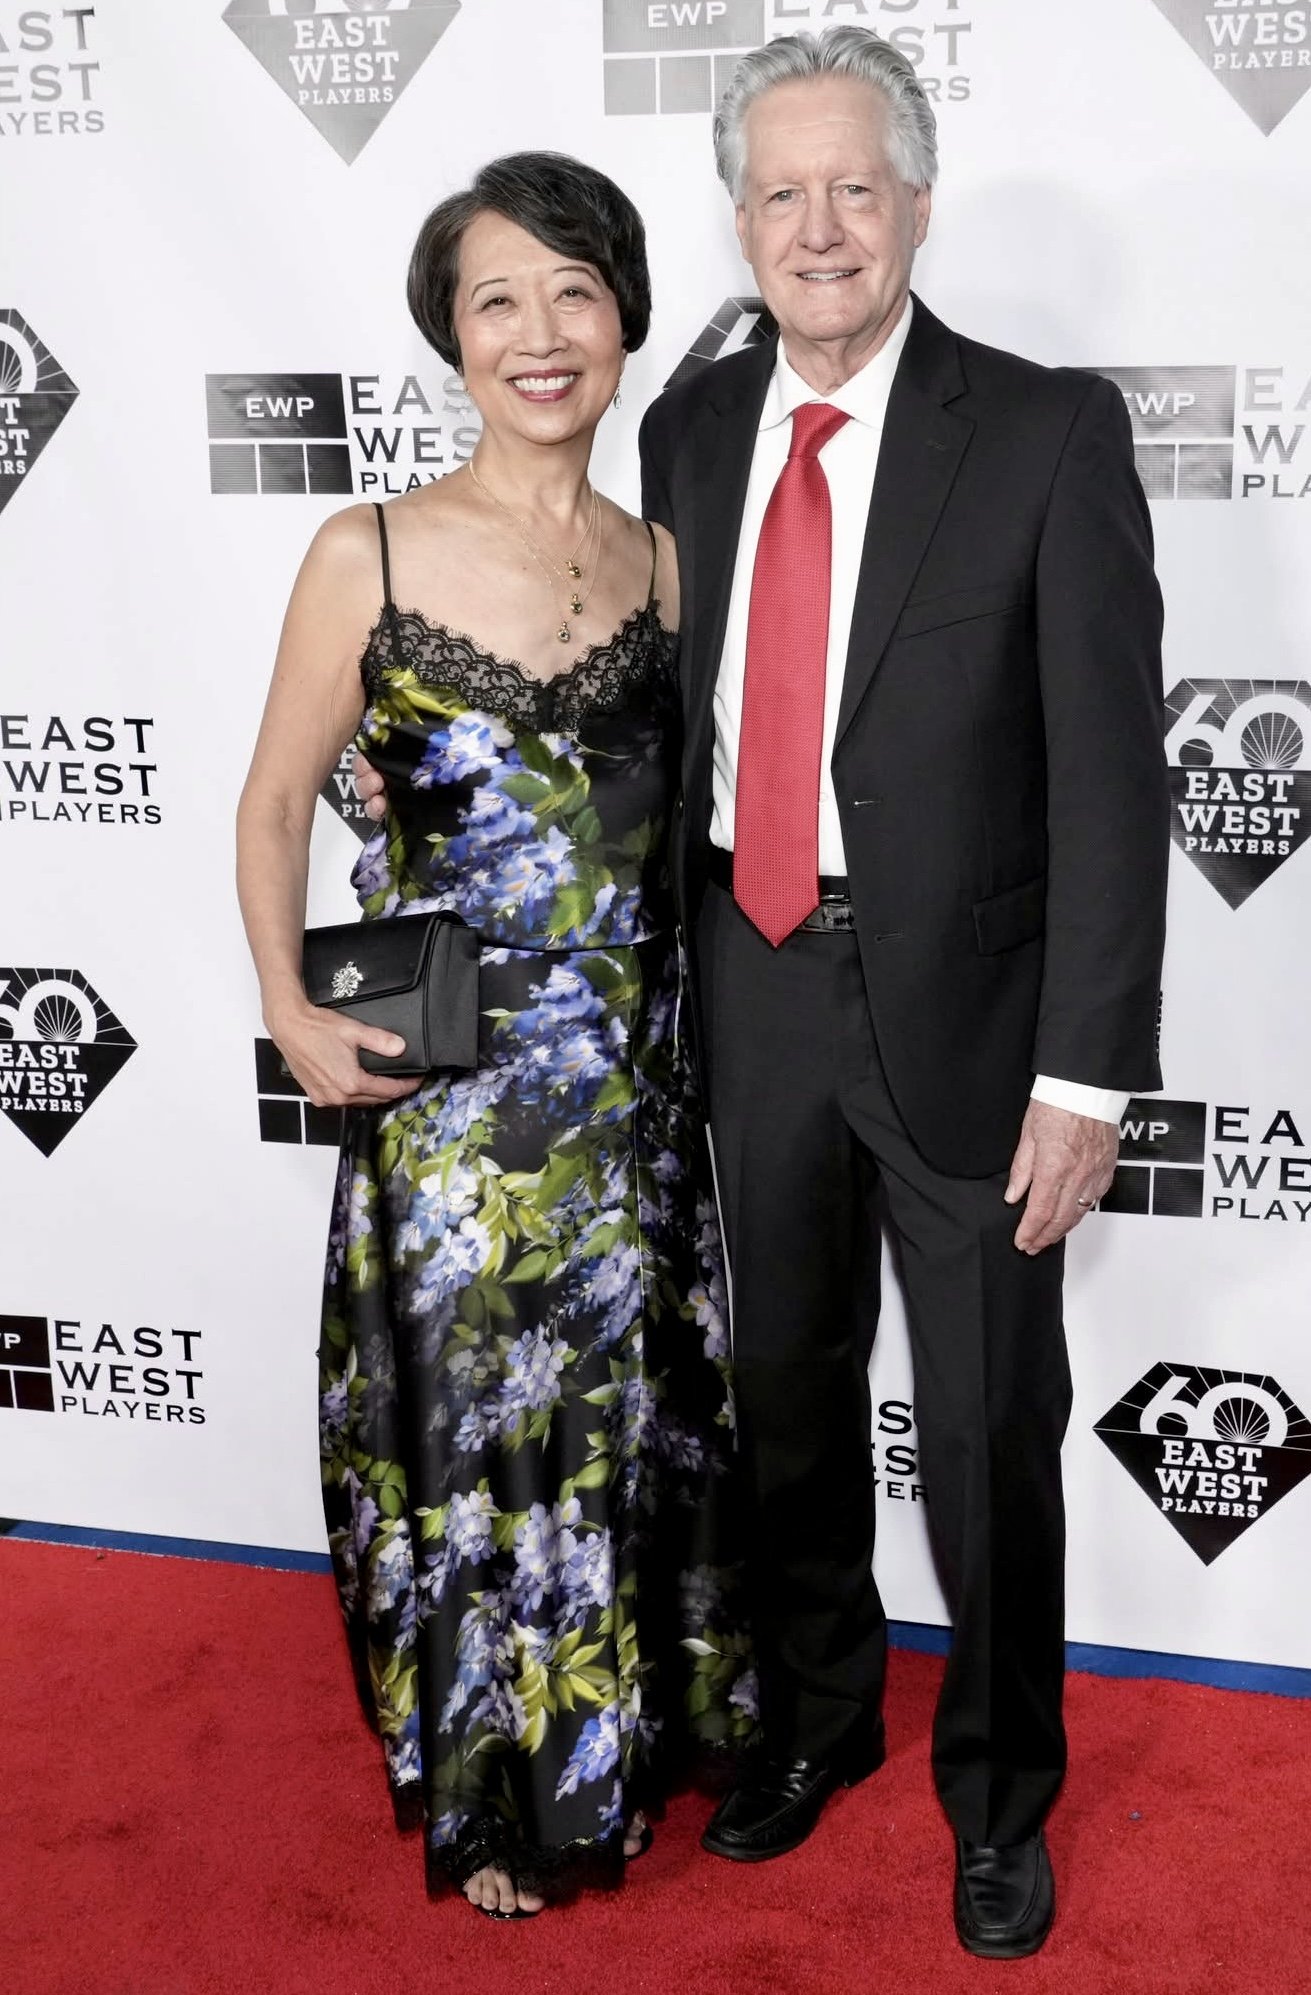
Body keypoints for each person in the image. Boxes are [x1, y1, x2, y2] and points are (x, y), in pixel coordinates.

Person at [357, 27, 1170, 1961]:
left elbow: (1115, 777)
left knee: (983, 1431)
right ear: (740, 221)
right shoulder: (690, 433)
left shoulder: (1050, 430)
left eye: (854, 188)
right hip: (747, 979)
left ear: (913, 205)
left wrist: (1092, 1074)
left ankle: (1001, 1793)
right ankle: (817, 1724)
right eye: (781, 194)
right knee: (788, 1403)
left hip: (977, 1012)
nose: (819, 227)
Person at [236, 151, 751, 1922]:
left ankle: (637, 1740)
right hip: (455, 1105)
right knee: (479, 1437)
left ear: (624, 322)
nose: (542, 335)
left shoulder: (675, 564)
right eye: (497, 300)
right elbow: (275, 801)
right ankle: (506, 1797)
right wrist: (288, 1006)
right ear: (450, 336)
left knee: (632, 1414)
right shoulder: (362, 547)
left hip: (639, 1084)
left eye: (576, 294)